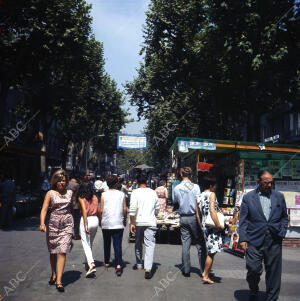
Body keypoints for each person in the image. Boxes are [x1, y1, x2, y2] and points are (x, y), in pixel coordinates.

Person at [239, 170, 288, 301]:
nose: (269, 185)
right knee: (253, 269)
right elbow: (243, 220)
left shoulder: (279, 196)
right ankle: (253, 288)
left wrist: (282, 232)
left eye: (271, 182)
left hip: (274, 239)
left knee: (274, 272)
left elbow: (284, 216)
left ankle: (271, 298)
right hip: (254, 239)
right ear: (259, 182)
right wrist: (243, 238)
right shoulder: (248, 198)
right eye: (266, 183)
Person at [40, 169, 89, 292]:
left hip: (67, 224)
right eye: (59, 181)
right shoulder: (50, 193)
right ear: (55, 181)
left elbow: (72, 208)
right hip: (53, 223)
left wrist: (74, 221)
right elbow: (44, 209)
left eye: (64, 181)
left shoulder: (70, 193)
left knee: (62, 250)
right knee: (53, 251)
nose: (62, 183)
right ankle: (54, 273)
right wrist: (42, 223)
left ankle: (59, 280)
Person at [173, 166, 206, 277]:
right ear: (191, 175)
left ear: (181, 175)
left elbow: (175, 201)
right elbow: (199, 202)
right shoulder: (196, 187)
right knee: (200, 244)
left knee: (185, 243)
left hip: (183, 217)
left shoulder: (176, 188)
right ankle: (203, 270)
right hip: (194, 217)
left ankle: (186, 270)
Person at [129, 174, 160, 279]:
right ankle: (148, 268)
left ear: (137, 183)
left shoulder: (135, 192)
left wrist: (132, 223)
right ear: (147, 182)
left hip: (138, 222)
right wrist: (153, 215)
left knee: (138, 243)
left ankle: (139, 264)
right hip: (150, 221)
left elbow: (132, 210)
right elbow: (157, 209)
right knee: (149, 245)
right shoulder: (153, 192)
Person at [197, 177, 223, 284]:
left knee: (210, 250)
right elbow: (212, 211)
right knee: (212, 252)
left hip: (204, 225)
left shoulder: (198, 196)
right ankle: (206, 275)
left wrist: (201, 226)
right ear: (211, 186)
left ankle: (205, 273)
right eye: (215, 185)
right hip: (212, 226)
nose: (216, 187)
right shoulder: (212, 194)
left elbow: (198, 214)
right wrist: (219, 225)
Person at [99, 175, 127, 276]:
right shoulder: (121, 194)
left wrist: (100, 220)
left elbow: (101, 210)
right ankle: (118, 264)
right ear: (116, 183)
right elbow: (124, 209)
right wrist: (125, 219)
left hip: (106, 222)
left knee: (106, 243)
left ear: (107, 183)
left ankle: (106, 262)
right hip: (118, 222)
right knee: (117, 244)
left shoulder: (103, 195)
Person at [77, 182, 99, 277]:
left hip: (87, 220)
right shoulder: (95, 197)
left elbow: (84, 211)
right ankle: (87, 263)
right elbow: (97, 210)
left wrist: (85, 224)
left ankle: (91, 264)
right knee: (90, 243)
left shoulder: (81, 198)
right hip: (95, 220)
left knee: (86, 243)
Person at [67, 176, 80, 240]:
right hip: (75, 205)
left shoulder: (66, 184)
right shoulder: (77, 185)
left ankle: (68, 234)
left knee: (68, 220)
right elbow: (78, 194)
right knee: (76, 221)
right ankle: (76, 235)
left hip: (67, 204)